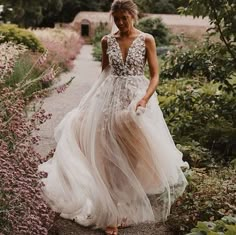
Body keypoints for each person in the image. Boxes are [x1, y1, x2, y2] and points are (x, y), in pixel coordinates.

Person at [38, 0, 189, 234]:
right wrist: (90, 103)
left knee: (132, 157)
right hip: (109, 101)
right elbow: (104, 75)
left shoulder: (147, 39)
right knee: (109, 155)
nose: (120, 23)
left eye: (124, 18)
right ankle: (111, 213)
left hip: (136, 104)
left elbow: (155, 76)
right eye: (116, 19)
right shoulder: (107, 40)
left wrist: (144, 99)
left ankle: (125, 203)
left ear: (133, 16)